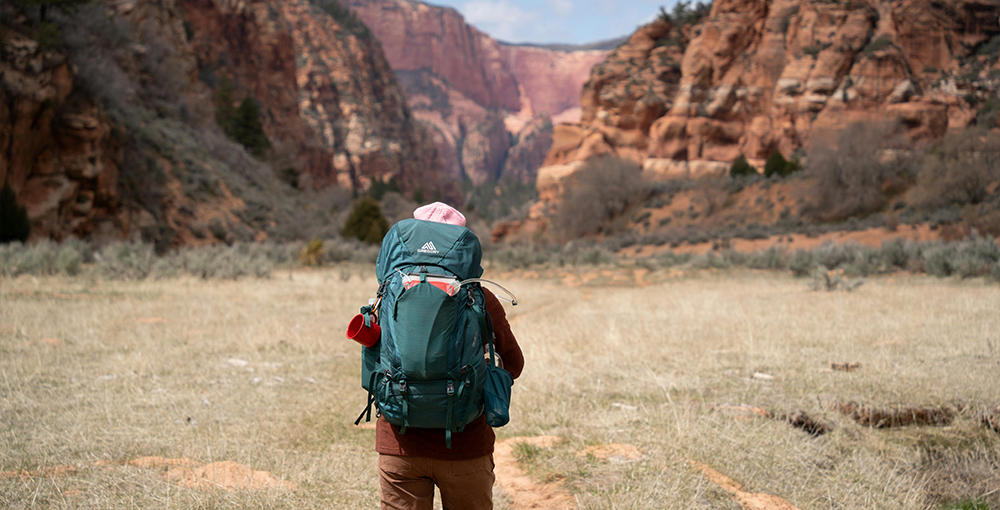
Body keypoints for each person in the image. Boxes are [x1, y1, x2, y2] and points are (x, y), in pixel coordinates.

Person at [376, 202, 524, 510]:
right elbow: (515, 363)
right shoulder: (480, 297)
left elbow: (373, 356)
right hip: (465, 446)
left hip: (399, 446)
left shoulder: (388, 293)